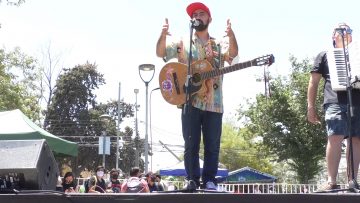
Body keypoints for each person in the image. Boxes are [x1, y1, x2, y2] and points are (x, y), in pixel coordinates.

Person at [156, 2, 238, 190]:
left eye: (202, 13)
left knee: (212, 145)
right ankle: (192, 179)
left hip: (214, 102)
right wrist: (162, 35)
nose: (198, 16)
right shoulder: (182, 42)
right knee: (190, 143)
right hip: (189, 100)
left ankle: (210, 180)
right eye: (195, 14)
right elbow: (160, 53)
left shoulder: (218, 43)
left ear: (209, 19)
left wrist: (232, 36)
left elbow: (232, 54)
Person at [307, 22, 360, 190]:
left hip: (357, 101)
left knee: (356, 139)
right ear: (333, 36)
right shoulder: (324, 55)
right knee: (335, 136)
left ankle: (352, 180)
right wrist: (311, 107)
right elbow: (314, 82)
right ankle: (331, 181)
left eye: (348, 30)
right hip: (334, 100)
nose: (344, 33)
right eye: (340, 30)